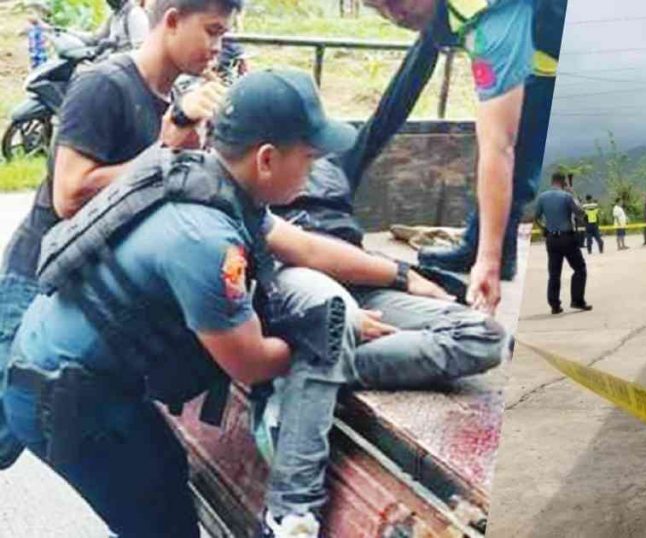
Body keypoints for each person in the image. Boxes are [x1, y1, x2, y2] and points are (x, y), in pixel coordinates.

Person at [4, 70, 506, 538]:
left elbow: (303, 246)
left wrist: (401, 274)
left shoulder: (205, 177)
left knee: (166, 477)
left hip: (73, 375)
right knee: (162, 524)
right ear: (266, 158)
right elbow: (249, 362)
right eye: (309, 159)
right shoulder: (204, 240)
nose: (313, 174)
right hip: (67, 401)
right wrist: (326, 335)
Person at [0, 0, 238, 471]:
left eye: (222, 35)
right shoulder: (103, 85)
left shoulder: (169, 101)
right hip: (33, 280)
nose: (216, 47)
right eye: (211, 31)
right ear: (171, 20)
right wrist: (164, 152)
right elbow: (70, 194)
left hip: (79, 288)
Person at [365, 0, 566, 315]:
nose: (395, 15)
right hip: (545, 56)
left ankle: (491, 251)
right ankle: (490, 244)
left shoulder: (488, 24)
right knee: (522, 139)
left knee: (505, 141)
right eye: (378, 8)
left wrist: (488, 263)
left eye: (394, 1)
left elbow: (498, 147)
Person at [535, 173, 591, 314]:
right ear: (563, 182)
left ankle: (555, 305)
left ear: (552, 181)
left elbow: (535, 217)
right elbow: (580, 213)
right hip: (567, 238)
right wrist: (573, 193)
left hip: (551, 239)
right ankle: (577, 301)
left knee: (554, 273)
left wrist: (544, 230)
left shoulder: (542, 197)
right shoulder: (566, 197)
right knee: (580, 269)